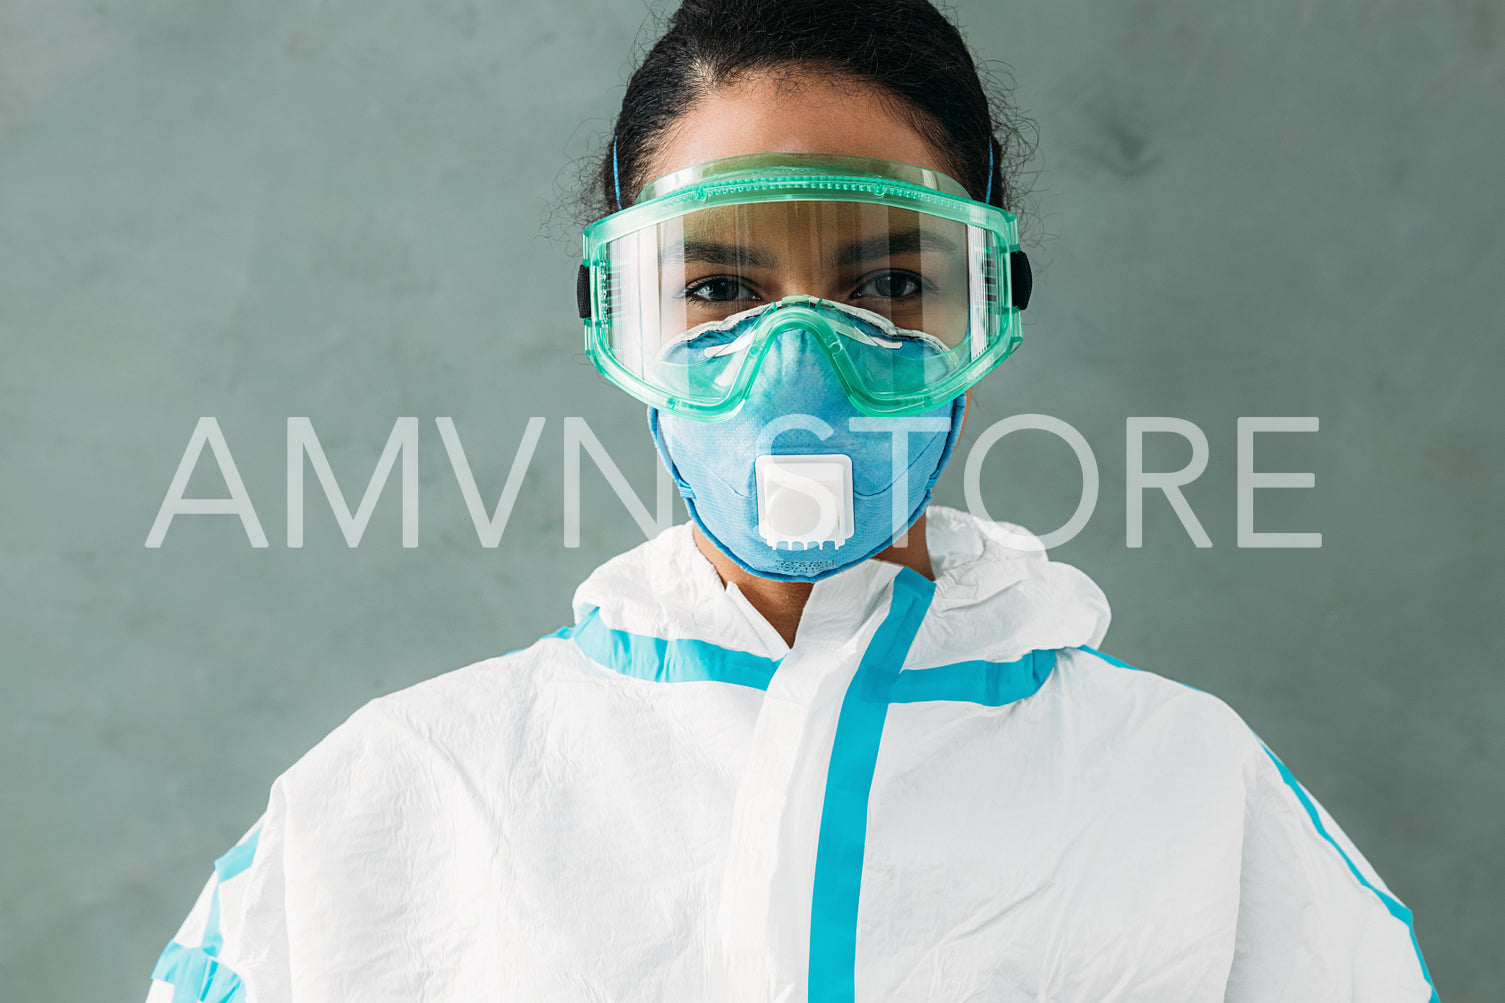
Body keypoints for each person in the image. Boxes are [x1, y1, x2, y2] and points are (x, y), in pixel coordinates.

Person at [145, 1, 1437, 1000]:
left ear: (987, 307)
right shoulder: (408, 789)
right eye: (712, 291)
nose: (797, 362)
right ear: (615, 318)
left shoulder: (1186, 788)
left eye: (885, 285)